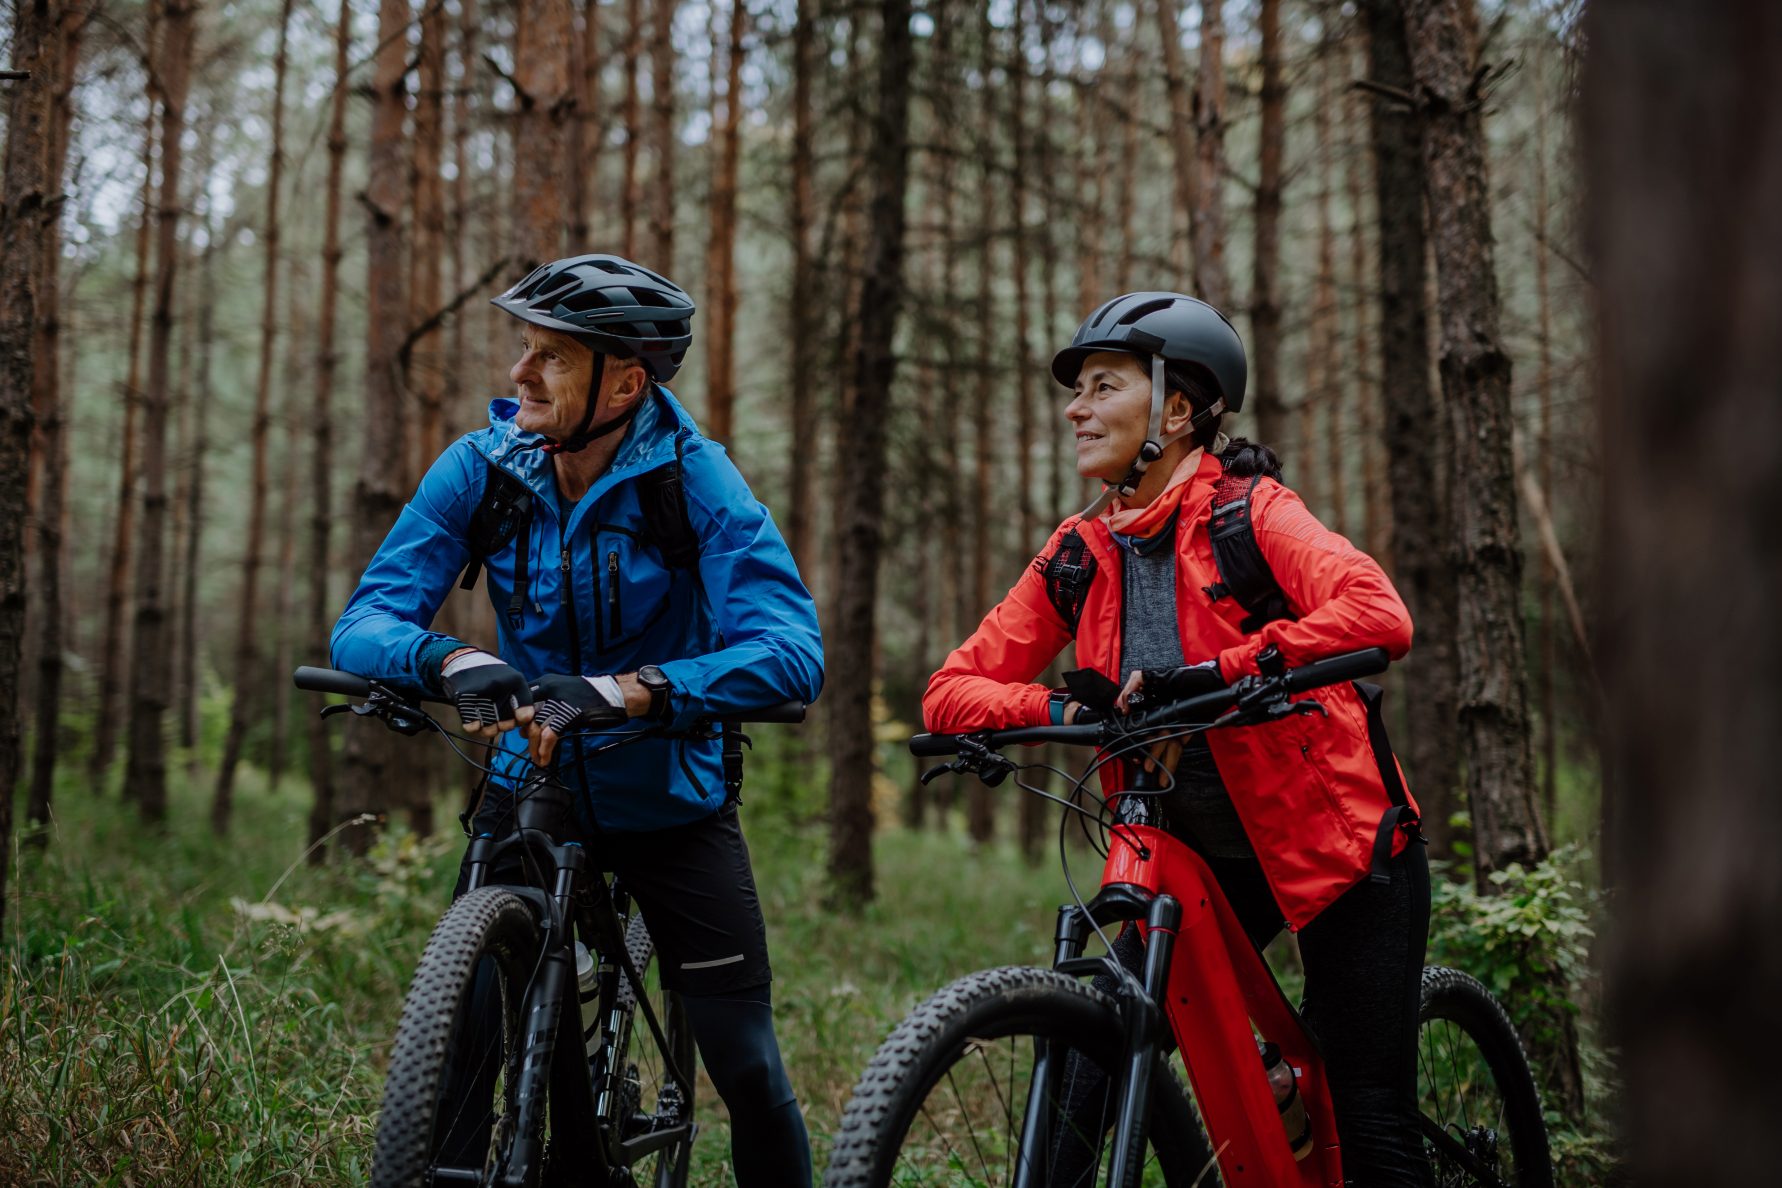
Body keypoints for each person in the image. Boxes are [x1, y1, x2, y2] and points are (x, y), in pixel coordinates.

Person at [331, 253, 823, 1186]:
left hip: (670, 800)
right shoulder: (485, 469)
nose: (519, 374)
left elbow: (792, 652)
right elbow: (364, 623)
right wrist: (454, 658)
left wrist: (634, 689)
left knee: (744, 1058)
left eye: (550, 357)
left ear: (625, 382)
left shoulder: (696, 482)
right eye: (525, 349)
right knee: (462, 1043)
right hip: (528, 786)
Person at [923, 291, 1433, 1186]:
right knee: (1083, 1090)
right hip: (1196, 857)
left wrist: (1227, 669)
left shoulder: (1251, 514)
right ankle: (1263, 1086)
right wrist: (1071, 714)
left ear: (1177, 408)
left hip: (1342, 848)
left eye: (1102, 386)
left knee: (1371, 1126)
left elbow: (1377, 613)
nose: (1076, 409)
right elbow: (950, 691)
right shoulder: (1080, 552)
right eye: (1075, 391)